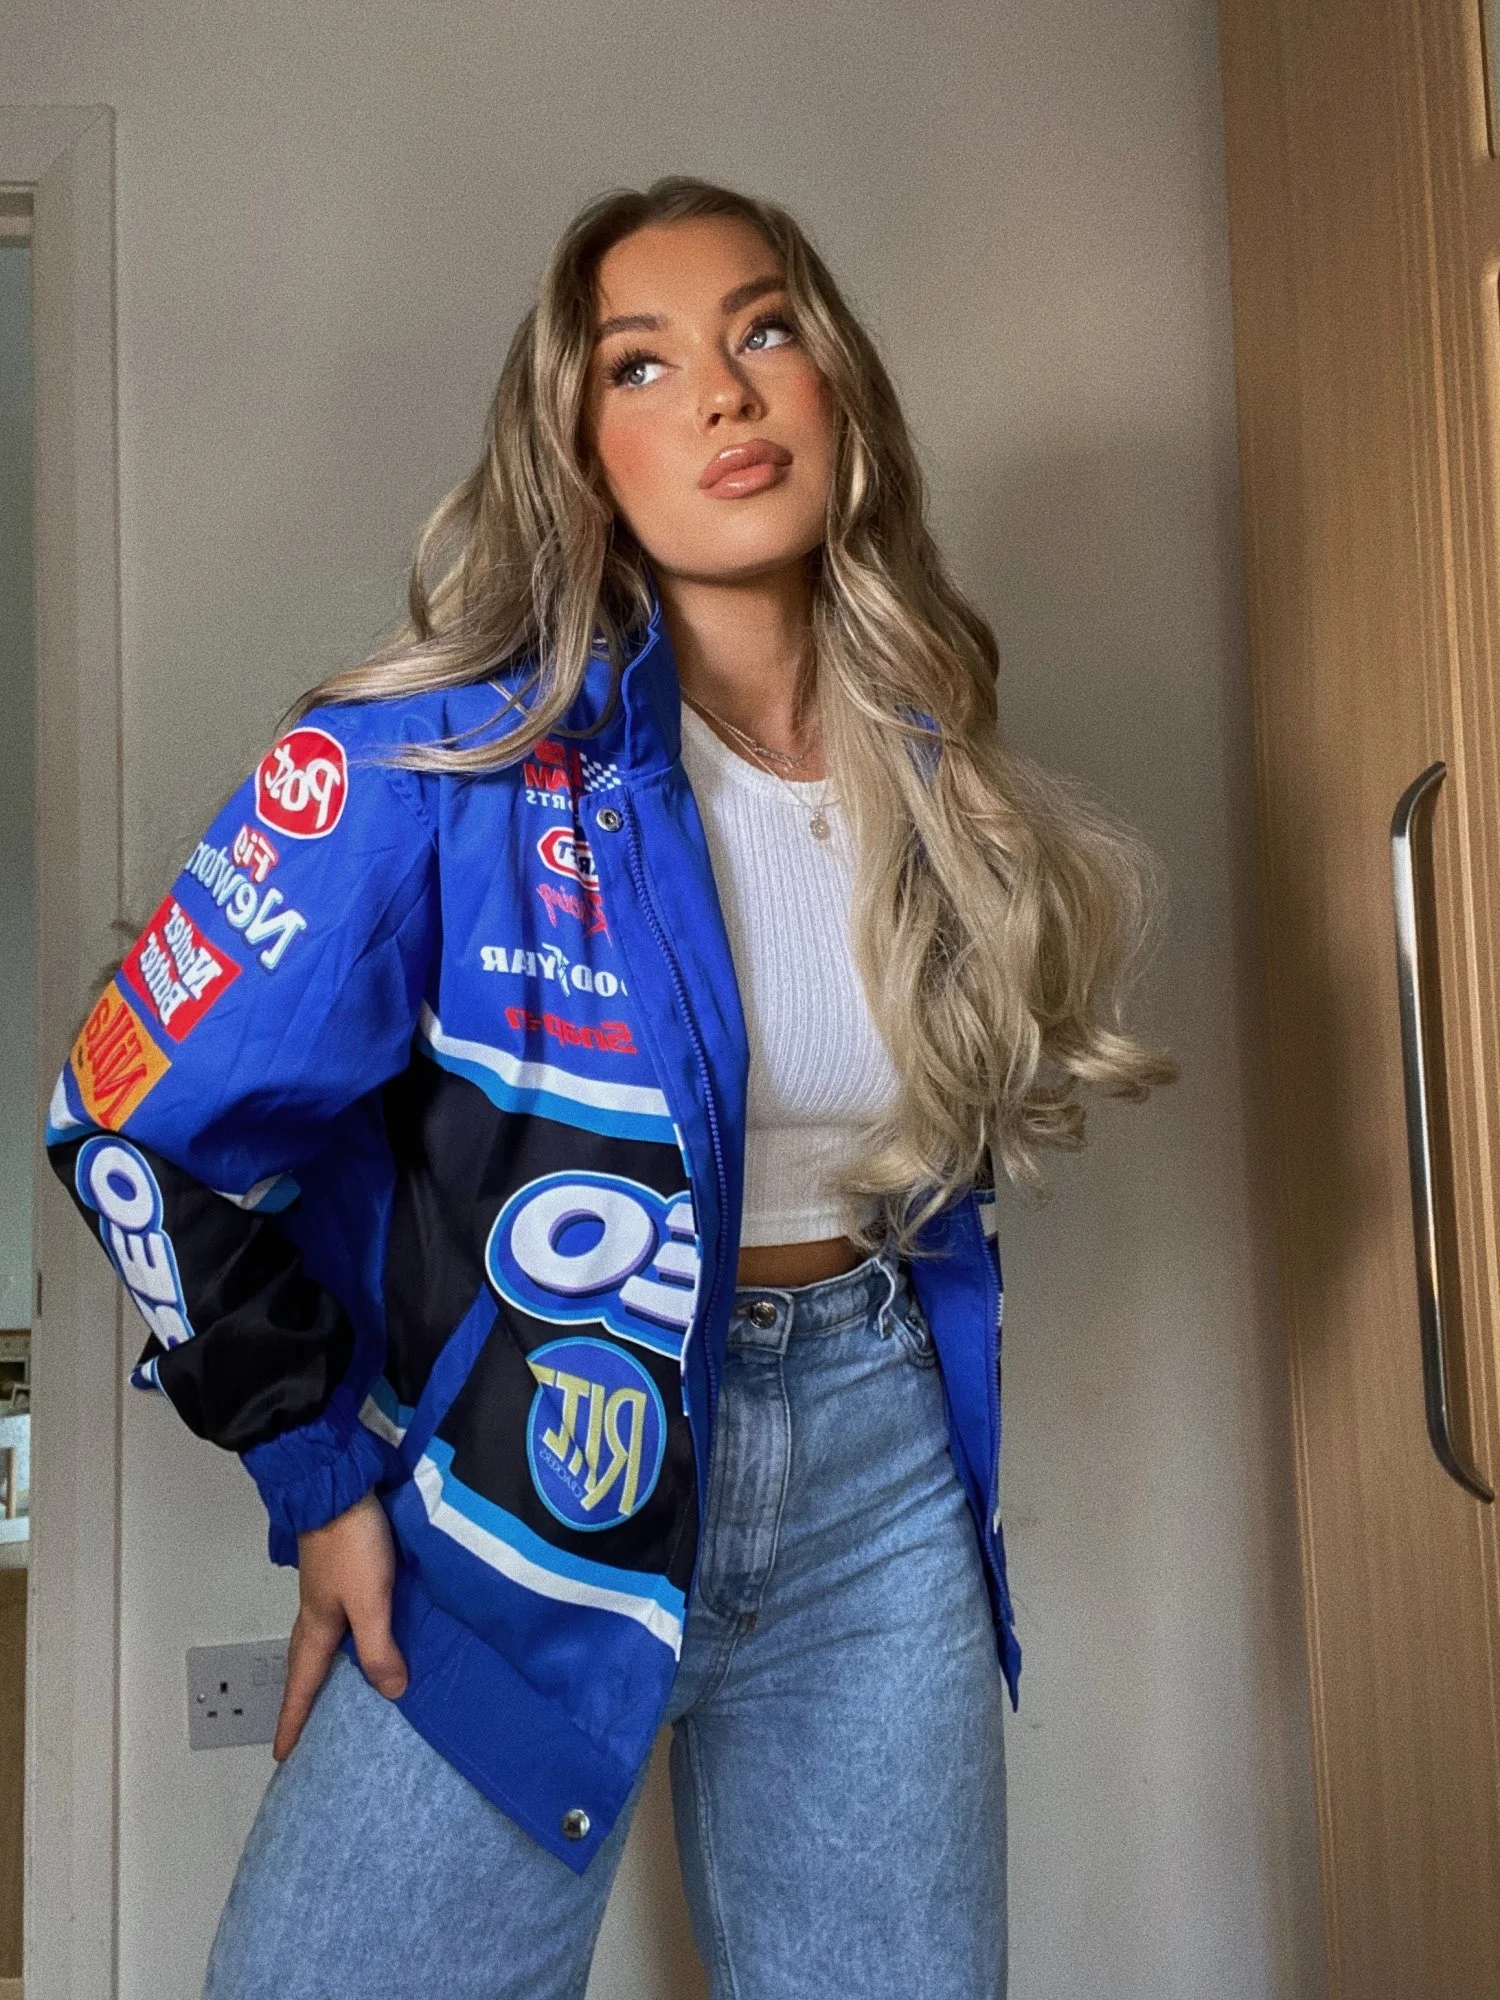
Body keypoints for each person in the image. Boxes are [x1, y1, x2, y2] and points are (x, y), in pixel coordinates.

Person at [47, 176, 1173, 1999]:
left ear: (835, 389)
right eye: (641, 365)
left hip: (878, 1477)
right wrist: (323, 1481)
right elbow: (124, 1116)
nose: (723, 391)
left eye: (764, 329)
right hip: (526, 1493)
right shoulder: (441, 760)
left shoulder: (927, 754)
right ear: (577, 455)